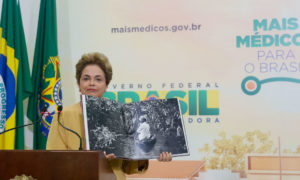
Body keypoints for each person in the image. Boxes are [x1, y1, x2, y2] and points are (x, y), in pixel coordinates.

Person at [46, 52, 172, 180]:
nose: (92, 83)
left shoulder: (120, 115)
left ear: (106, 85)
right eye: (86, 78)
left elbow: (128, 167)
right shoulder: (63, 116)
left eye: (98, 79)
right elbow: (54, 162)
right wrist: (93, 161)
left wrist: (150, 153)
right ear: (79, 84)